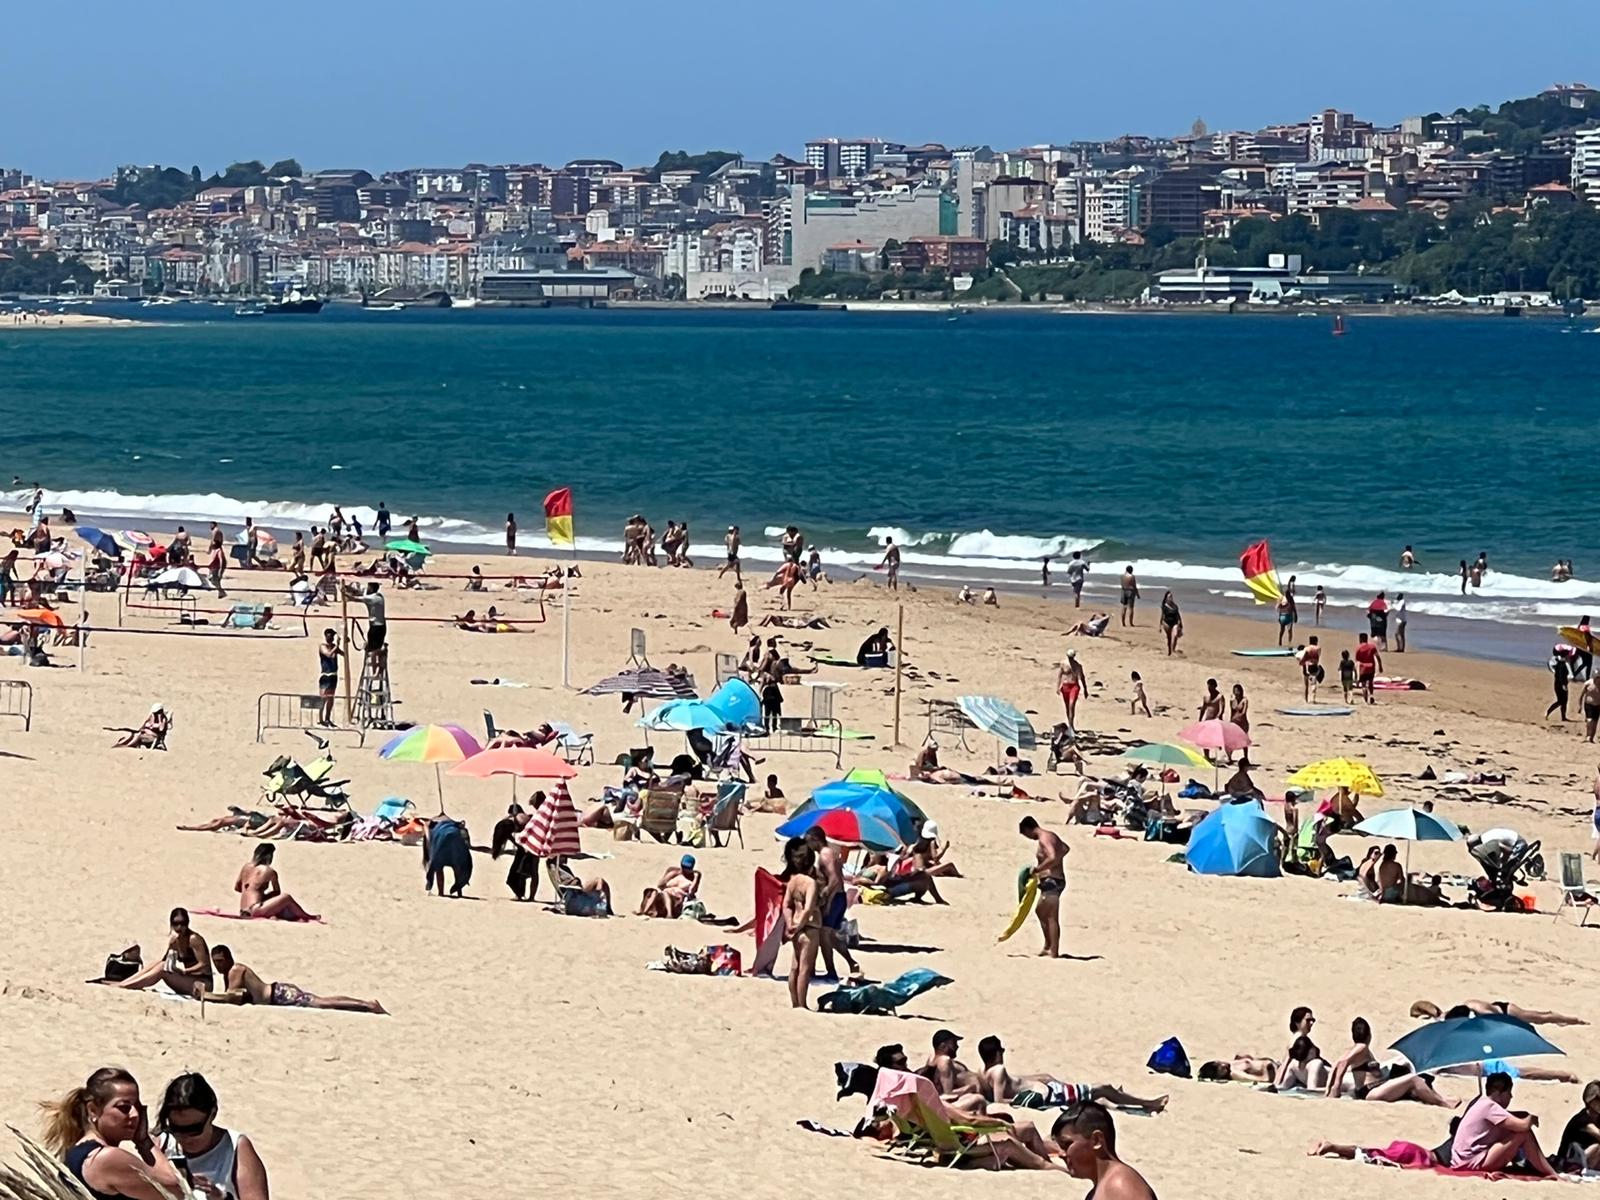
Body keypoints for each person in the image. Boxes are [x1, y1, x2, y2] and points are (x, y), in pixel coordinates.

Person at [42, 1068, 189, 1200]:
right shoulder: (107, 1159)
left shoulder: (77, 1152)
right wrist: (144, 1142)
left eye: (138, 1107)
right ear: (93, 1110)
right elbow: (175, 1191)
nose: (135, 1114)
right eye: (124, 1107)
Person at [978, 1036, 1167, 1113]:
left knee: (1100, 1094)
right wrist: (1030, 1099)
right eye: (1001, 1050)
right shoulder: (999, 1070)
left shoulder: (984, 1071)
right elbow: (999, 1100)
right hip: (1051, 1096)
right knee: (1104, 1088)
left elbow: (1011, 1085)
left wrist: (1042, 1079)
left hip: (1049, 1091)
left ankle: (1116, 1099)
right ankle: (1148, 1103)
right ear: (997, 1053)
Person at [156, 1072, 270, 1200]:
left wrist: (223, 1198)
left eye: (194, 1130)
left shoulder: (235, 1149)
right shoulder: (160, 1147)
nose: (185, 1138)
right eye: (176, 1129)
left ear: (213, 1114)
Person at [201, 945, 385, 1015]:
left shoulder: (235, 970)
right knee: (322, 1000)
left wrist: (206, 996)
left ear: (229, 958)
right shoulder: (229, 972)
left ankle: (367, 1005)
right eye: (215, 962)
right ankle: (365, 1004)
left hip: (278, 995)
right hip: (278, 992)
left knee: (322, 1003)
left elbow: (231, 997)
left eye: (221, 961)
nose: (218, 965)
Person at [1451, 1071, 1557, 1176]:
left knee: (1509, 1130)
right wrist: (1531, 1118)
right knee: (1524, 1134)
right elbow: (1523, 1126)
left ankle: (1528, 1162)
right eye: (1508, 1092)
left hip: (1462, 1160)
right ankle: (1550, 1172)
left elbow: (1506, 1116)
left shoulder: (1479, 1102)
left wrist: (1522, 1115)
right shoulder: (1490, 1107)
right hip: (1473, 1162)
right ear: (1498, 1093)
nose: (1511, 1096)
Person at [1053, 1104, 1157, 1199]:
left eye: (1066, 1145)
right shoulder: (1100, 1190)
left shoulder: (1121, 1186)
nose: (1061, 1154)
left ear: (1096, 1141)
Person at [804, 827, 862, 981]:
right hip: (838, 898)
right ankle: (852, 963)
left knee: (824, 936)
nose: (808, 845)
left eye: (809, 841)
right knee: (830, 936)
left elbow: (835, 879)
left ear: (815, 839)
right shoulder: (828, 853)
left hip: (834, 899)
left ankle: (831, 972)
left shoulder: (825, 855)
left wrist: (826, 898)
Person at [113, 908, 212, 998]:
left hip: (202, 983)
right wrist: (171, 948)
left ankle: (127, 985)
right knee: (158, 963)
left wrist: (185, 971)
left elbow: (204, 964)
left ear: (188, 923)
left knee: (162, 969)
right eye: (176, 923)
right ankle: (125, 982)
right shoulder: (176, 940)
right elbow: (165, 960)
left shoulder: (194, 939)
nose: (179, 927)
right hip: (189, 978)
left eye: (183, 923)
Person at [781, 838, 822, 1009]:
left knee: (794, 967)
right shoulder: (810, 883)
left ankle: (794, 1003)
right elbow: (808, 908)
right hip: (809, 928)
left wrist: (790, 923)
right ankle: (802, 1004)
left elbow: (786, 905)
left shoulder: (793, 881)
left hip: (795, 927)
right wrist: (800, 925)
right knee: (805, 968)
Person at [1020, 816, 1068, 958]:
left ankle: (1054, 951)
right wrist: (1056, 862)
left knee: (1051, 916)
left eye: (1026, 834)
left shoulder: (1044, 838)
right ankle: (1048, 945)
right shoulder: (1051, 835)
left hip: (1052, 880)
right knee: (1041, 911)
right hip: (1053, 879)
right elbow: (1065, 849)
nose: (1029, 838)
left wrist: (1038, 869)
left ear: (1029, 829)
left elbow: (1052, 856)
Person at [235, 844, 317, 921]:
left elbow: (237, 888)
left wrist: (255, 891)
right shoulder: (269, 871)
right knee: (286, 897)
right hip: (255, 909)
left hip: (243, 910)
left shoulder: (246, 867)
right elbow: (277, 892)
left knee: (269, 898)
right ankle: (307, 916)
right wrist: (263, 894)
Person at [1409, 999, 1587, 1026]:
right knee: (1539, 1016)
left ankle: (1572, 1020)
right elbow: (1427, 1008)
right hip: (1495, 1008)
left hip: (1506, 1011)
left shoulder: (1481, 1012)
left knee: (1540, 1018)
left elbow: (1499, 1020)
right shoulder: (1455, 1011)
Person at [1273, 1006, 1330, 1090]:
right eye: (1308, 1020)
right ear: (1297, 1022)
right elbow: (1286, 1062)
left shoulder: (1300, 1037)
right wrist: (1277, 1082)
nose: (1311, 1023)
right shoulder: (1297, 1040)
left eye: (1312, 1020)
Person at [1559, 1081, 1600, 1171]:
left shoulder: (1597, 1117)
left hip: (1585, 1157)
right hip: (1569, 1159)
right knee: (1597, 1147)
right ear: (1590, 1101)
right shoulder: (1582, 1119)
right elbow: (1597, 1134)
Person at [315, 628, 343, 726]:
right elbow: (329, 654)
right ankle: (320, 718)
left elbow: (344, 654)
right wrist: (337, 646)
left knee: (331, 698)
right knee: (323, 697)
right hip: (325, 675)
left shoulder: (334, 647)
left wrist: (344, 643)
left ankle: (327, 718)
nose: (331, 638)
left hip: (333, 675)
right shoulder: (323, 646)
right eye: (330, 636)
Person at [1057, 648, 1086, 726]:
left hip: (1074, 686)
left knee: (1071, 705)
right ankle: (1069, 723)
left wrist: (1084, 689)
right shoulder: (1063, 664)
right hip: (1065, 686)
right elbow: (1060, 675)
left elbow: (1081, 677)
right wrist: (1058, 686)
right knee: (1067, 707)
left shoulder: (1078, 666)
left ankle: (1071, 724)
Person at [1353, 632, 1381, 704]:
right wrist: (1380, 666)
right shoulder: (1372, 647)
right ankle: (1371, 695)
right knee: (1371, 682)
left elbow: (1357, 661)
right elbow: (1377, 657)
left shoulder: (1359, 648)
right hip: (1371, 667)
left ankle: (1365, 699)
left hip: (1363, 668)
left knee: (1363, 684)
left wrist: (1356, 673)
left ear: (1360, 639)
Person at [1549, 649, 1572, 722]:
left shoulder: (1559, 663)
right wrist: (1563, 685)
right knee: (1561, 701)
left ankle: (1563, 717)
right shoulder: (1562, 665)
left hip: (1558, 684)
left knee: (1563, 702)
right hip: (1561, 685)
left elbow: (1557, 674)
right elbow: (1561, 676)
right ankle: (1549, 713)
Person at [1298, 636, 1322, 703]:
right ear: (1316, 641)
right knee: (1313, 683)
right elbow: (1318, 656)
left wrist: (1301, 663)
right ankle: (1313, 699)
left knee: (1306, 685)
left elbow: (1303, 657)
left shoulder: (1306, 648)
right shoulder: (1318, 648)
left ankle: (1306, 699)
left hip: (1306, 666)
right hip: (1314, 666)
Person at [1159, 591, 1182, 655]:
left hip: (1174, 623)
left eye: (1171, 596)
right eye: (1169, 597)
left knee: (1175, 635)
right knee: (1169, 638)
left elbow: (1178, 615)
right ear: (1166, 598)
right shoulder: (1164, 606)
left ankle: (1173, 650)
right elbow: (1162, 616)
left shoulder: (1175, 606)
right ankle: (1170, 650)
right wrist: (1160, 625)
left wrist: (1180, 624)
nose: (1170, 598)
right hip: (1166, 623)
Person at [1583, 674, 1600, 743]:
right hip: (1588, 704)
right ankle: (1588, 736)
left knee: (1595, 722)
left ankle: (1591, 737)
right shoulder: (1588, 683)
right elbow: (1582, 694)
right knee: (1589, 720)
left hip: (1598, 705)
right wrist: (1580, 705)